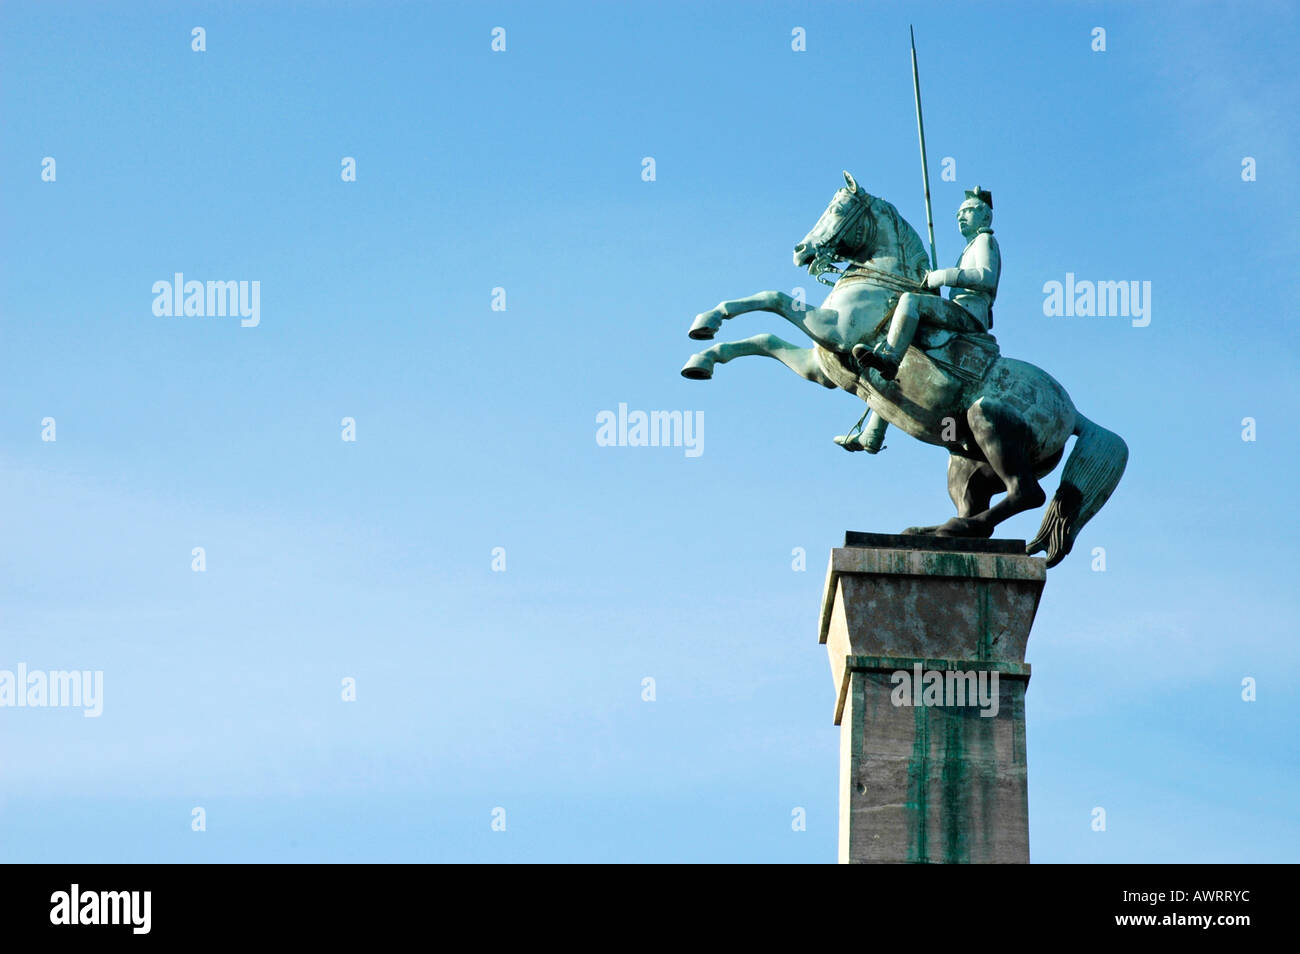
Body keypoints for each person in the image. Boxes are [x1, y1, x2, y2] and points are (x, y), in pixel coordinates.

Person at [853, 187, 1000, 381]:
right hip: (959, 309)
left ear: (984, 217)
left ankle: (890, 359)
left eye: (969, 210)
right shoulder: (968, 248)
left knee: (911, 301)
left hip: (970, 314)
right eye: (959, 213)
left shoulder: (985, 240)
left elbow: (986, 278)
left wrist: (942, 276)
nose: (961, 217)